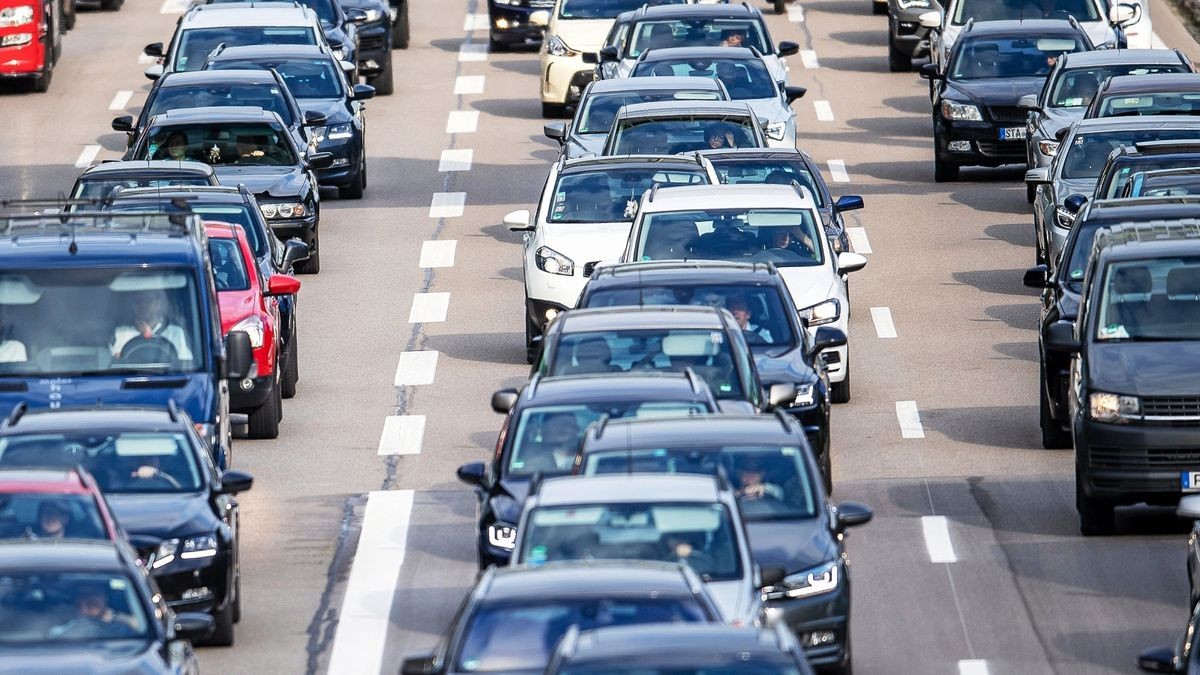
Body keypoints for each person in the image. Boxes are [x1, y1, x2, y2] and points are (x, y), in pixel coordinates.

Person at [111, 289, 193, 362]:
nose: (143, 305)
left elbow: (184, 363)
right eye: (138, 302)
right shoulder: (121, 332)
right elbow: (116, 362)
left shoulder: (175, 332)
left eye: (148, 301)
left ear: (158, 304)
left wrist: (148, 335)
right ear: (133, 306)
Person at [47, 583, 140, 639]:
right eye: (83, 595)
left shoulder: (124, 629)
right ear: (77, 602)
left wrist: (117, 618)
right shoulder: (58, 631)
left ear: (105, 599)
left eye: (93, 595)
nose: (87, 599)